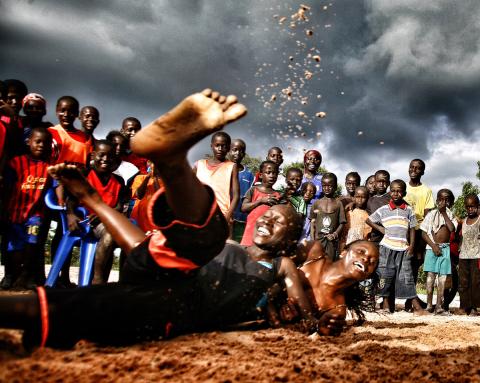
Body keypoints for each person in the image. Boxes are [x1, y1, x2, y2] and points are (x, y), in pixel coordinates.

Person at [0, 89, 325, 348]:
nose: (266, 221)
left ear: (291, 238)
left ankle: (170, 159)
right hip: (171, 274)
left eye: (279, 221)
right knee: (206, 238)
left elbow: (308, 315)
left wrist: (315, 320)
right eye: (268, 215)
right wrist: (93, 200)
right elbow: (143, 248)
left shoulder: (281, 266)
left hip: (176, 306)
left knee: (62, 307)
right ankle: (170, 159)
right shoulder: (230, 247)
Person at [2, 127, 52, 289]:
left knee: (33, 244)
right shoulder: (16, 162)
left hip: (35, 216)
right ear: (28, 142)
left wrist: (60, 200)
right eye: (37, 141)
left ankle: (27, 276)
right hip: (15, 213)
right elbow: (7, 187)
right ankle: (11, 275)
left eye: (45, 143)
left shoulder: (49, 167)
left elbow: (58, 185)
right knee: (13, 247)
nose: (41, 145)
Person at [366, 179, 425, 314]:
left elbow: (412, 229)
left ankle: (416, 306)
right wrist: (380, 229)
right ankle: (386, 306)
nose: (396, 193)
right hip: (387, 247)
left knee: (407, 275)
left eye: (399, 191)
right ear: (390, 192)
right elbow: (369, 220)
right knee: (385, 275)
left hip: (403, 248)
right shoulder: (384, 209)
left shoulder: (409, 210)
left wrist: (411, 246)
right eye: (393, 191)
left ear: (404, 193)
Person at [83, 140, 127, 284]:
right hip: (86, 222)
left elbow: (119, 207)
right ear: (93, 155)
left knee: (125, 236)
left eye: (110, 156)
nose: (106, 159)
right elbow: (71, 199)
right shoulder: (85, 175)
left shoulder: (119, 181)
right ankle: (98, 279)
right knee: (110, 234)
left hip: (107, 222)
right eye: (101, 155)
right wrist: (71, 215)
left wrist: (103, 214)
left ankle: (124, 282)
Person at [193, 131, 240, 233]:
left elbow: (236, 195)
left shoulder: (232, 166)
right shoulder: (199, 165)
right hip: (200, 214)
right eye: (217, 145)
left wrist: (227, 216)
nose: (220, 149)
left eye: (223, 146)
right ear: (211, 146)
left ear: (228, 148)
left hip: (221, 215)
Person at [404, 159, 434, 310]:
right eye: (412, 167)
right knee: (402, 265)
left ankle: (410, 301)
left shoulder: (426, 191)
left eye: (418, 168)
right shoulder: (402, 188)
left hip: (418, 230)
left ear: (422, 171)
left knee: (415, 265)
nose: (414, 170)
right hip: (403, 231)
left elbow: (428, 215)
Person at [421, 189, 457, 315]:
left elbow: (452, 228)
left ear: (451, 203)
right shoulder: (431, 214)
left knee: (442, 279)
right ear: (437, 201)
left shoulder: (451, 215)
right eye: (441, 199)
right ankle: (429, 305)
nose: (444, 202)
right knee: (430, 278)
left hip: (445, 249)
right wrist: (433, 246)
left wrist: (445, 214)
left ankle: (439, 306)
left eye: (447, 200)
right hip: (431, 249)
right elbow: (423, 232)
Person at [240, 160, 282, 246]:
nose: (272, 176)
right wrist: (260, 201)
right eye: (268, 172)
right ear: (261, 175)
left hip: (266, 235)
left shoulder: (278, 195)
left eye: (274, 173)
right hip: (250, 233)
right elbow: (243, 208)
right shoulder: (253, 190)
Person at [48, 96, 93, 167]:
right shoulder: (50, 133)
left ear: (77, 114)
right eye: (62, 111)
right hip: (55, 176)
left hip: (78, 177)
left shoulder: (86, 138)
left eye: (71, 111)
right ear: (57, 111)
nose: (66, 115)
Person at [310, 173, 345, 261]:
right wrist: (312, 240)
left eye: (330, 185)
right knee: (316, 263)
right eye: (324, 185)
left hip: (331, 242)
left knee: (329, 263)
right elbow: (312, 223)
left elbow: (342, 223)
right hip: (318, 241)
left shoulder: (338, 204)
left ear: (335, 186)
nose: (327, 188)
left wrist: (334, 234)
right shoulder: (317, 203)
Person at [457, 194, 480, 316]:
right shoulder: (463, 221)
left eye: (473, 206)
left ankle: (474, 308)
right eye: (468, 207)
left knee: (475, 282)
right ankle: (464, 305)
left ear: (478, 206)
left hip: (477, 255)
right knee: (464, 281)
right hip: (464, 256)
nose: (470, 209)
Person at [229, 138, 254, 243]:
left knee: (237, 246)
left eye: (241, 151)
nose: (237, 153)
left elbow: (250, 197)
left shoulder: (249, 175)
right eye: (234, 150)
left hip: (242, 219)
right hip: (225, 218)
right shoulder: (223, 169)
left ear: (244, 154)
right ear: (229, 151)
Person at [339, 186, 371, 252]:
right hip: (346, 248)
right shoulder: (348, 213)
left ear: (367, 198)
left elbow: (367, 236)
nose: (360, 200)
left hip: (361, 249)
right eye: (357, 197)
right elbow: (343, 233)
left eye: (363, 197)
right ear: (354, 197)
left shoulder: (368, 215)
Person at [366, 170, 391, 245]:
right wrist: (380, 228)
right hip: (376, 239)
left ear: (388, 183)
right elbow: (369, 220)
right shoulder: (370, 200)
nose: (381, 184)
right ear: (375, 183)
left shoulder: (392, 197)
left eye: (384, 182)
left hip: (391, 238)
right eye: (379, 181)